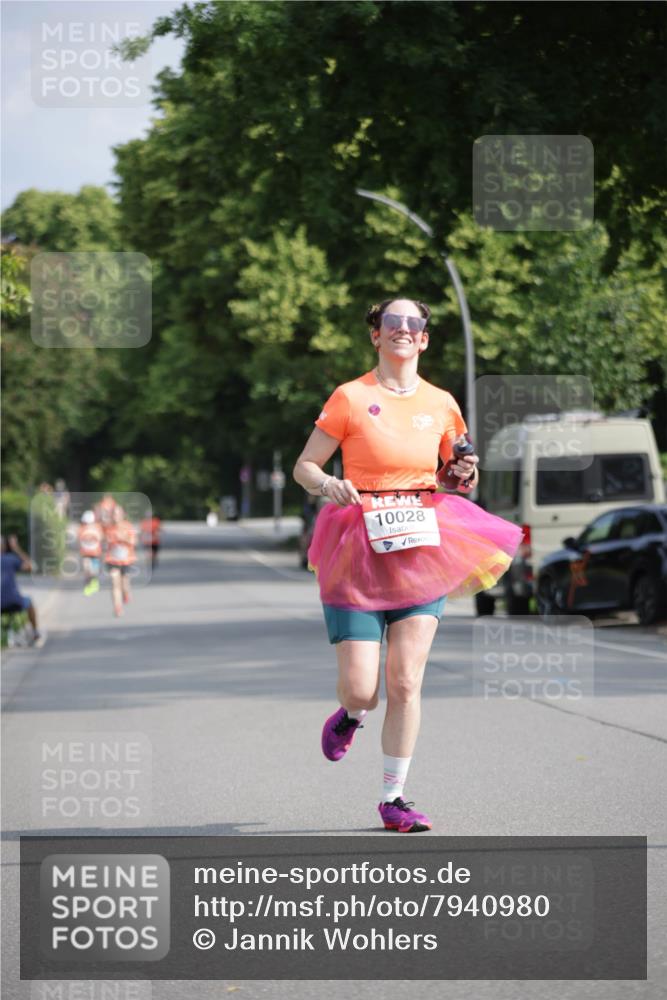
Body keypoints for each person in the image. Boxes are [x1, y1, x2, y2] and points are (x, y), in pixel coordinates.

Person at [293, 298, 523, 833]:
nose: (402, 329)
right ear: (376, 335)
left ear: (423, 338)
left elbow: (456, 476)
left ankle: (393, 798)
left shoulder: (441, 403)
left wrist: (463, 473)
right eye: (390, 322)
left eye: (412, 323)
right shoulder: (351, 397)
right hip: (356, 545)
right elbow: (305, 465)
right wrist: (327, 484)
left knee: (406, 681)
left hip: (420, 544)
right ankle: (352, 715)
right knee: (362, 688)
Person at [1, 534, 40, 643]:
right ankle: (35, 632)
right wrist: (16, 548)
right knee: (29, 602)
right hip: (14, 601)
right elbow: (31, 566)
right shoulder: (10, 559)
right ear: (4, 546)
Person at [103, 508, 137, 617]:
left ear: (122, 515)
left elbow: (134, 541)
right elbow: (102, 540)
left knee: (124, 582)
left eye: (117, 514)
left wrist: (122, 538)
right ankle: (117, 607)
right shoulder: (107, 527)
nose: (115, 516)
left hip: (126, 559)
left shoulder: (128, 526)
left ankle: (126, 593)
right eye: (113, 514)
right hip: (112, 559)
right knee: (114, 582)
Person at [78, 510, 103, 595]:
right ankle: (87, 585)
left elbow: (101, 538)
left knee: (94, 572)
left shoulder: (98, 527)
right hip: (85, 554)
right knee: (87, 569)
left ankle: (94, 583)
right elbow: (79, 540)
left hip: (96, 554)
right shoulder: (81, 528)